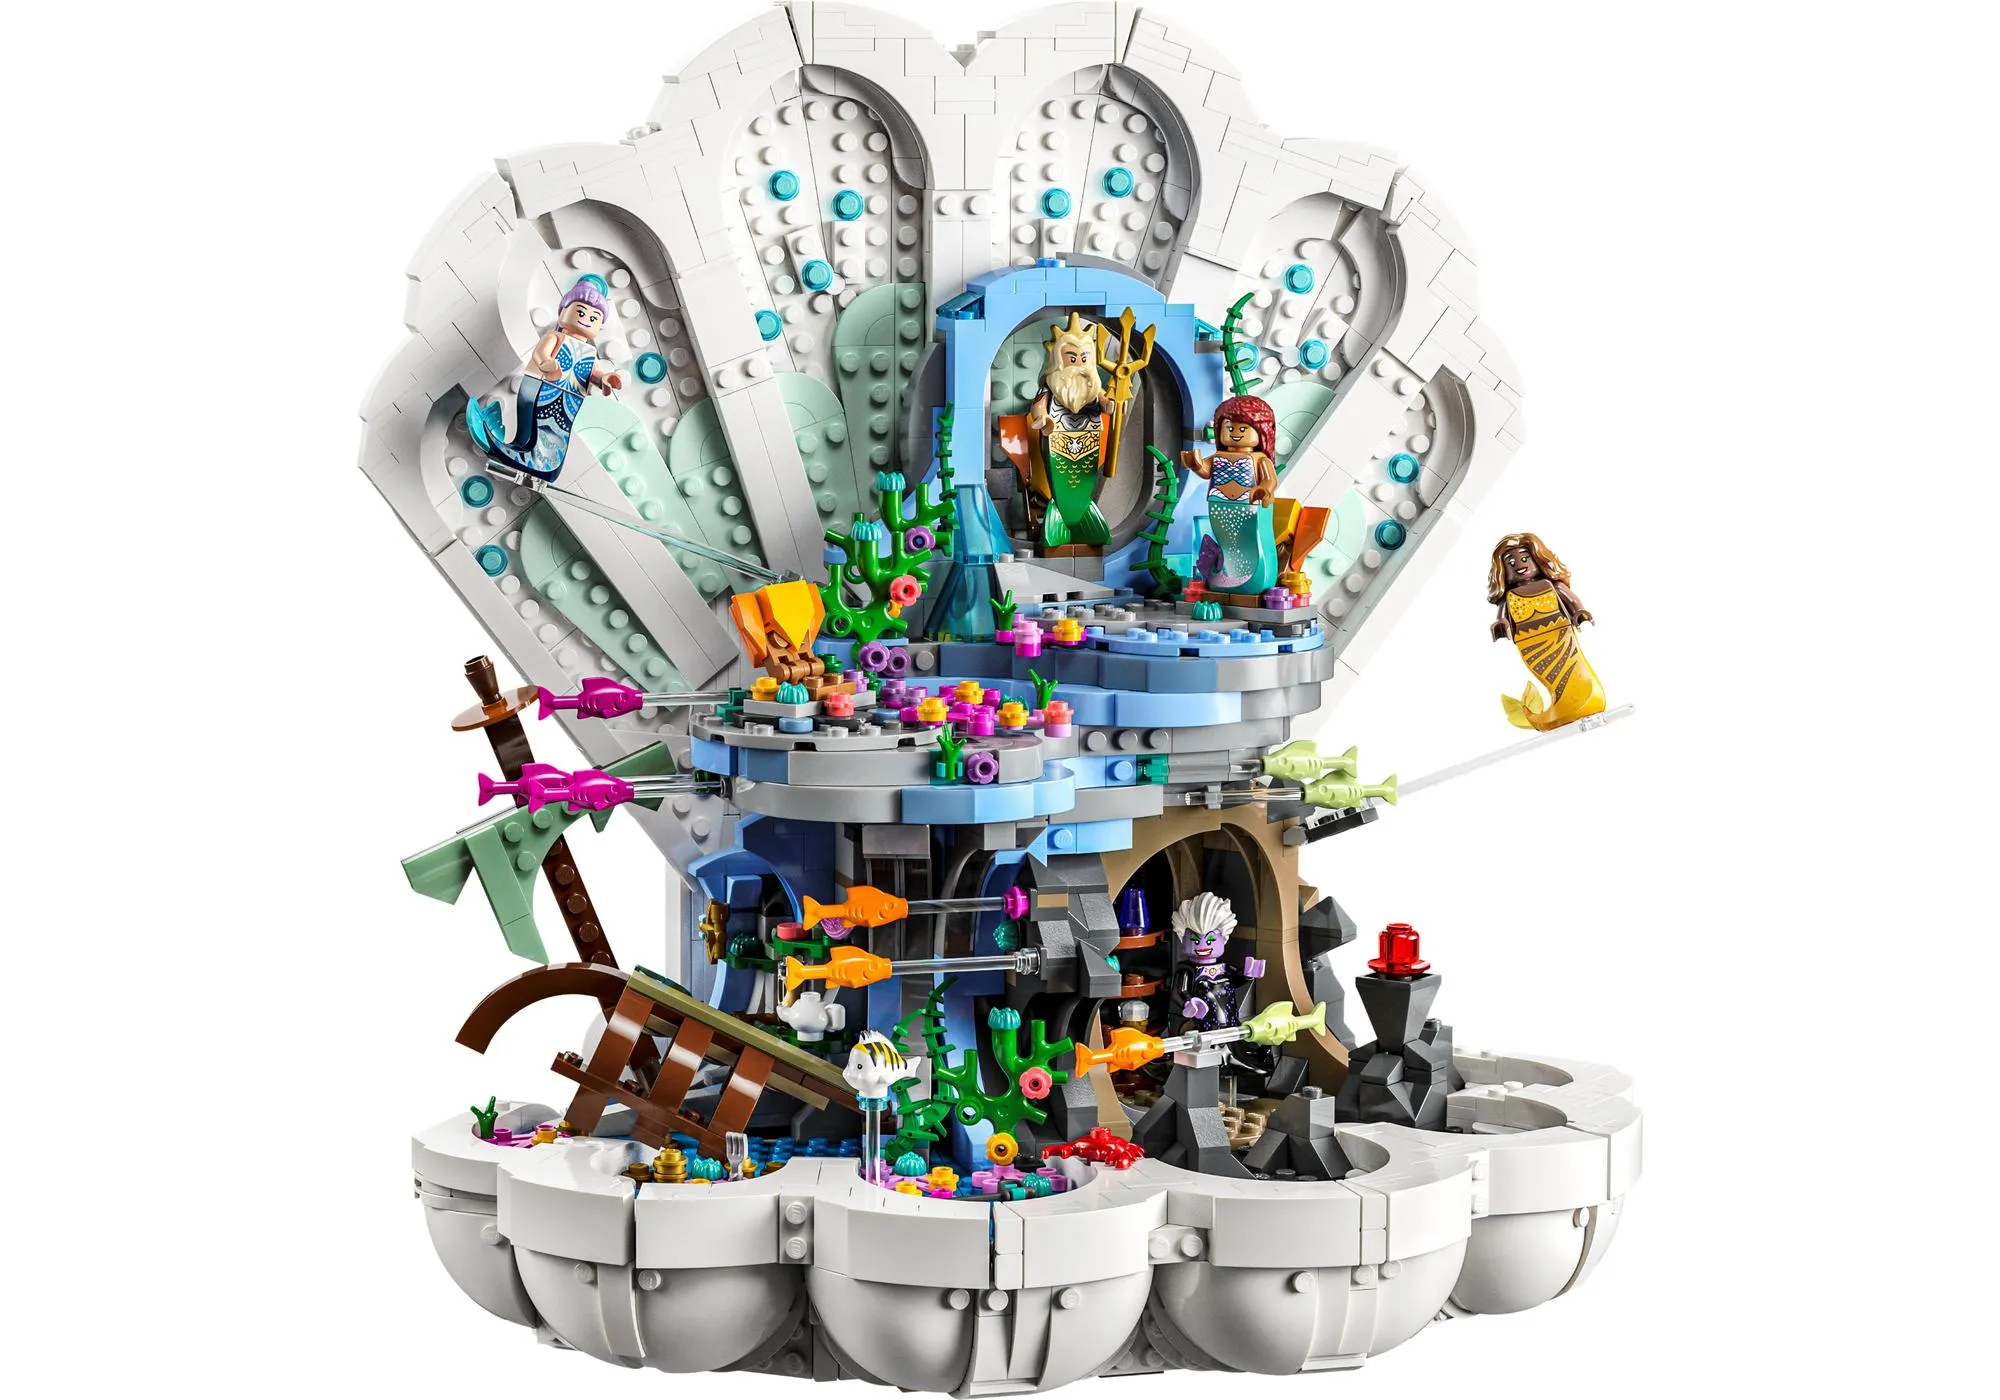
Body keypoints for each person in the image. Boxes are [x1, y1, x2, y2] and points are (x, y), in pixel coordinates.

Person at [467, 273, 624, 480]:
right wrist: (546, 363)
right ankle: (519, 453)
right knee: (530, 427)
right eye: (580, 312)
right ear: (564, 311)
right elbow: (541, 354)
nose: (586, 320)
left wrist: (605, 379)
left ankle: (541, 465)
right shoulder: (555, 337)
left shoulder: (590, 352)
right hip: (540, 388)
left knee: (553, 434)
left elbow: (595, 373)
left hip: (569, 399)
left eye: (594, 318)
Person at [1488, 532, 1607, 730]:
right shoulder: (1508, 598)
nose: (1519, 565)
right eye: (1511, 563)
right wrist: (1501, 625)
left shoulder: (1552, 585)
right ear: (1502, 571)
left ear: (1538, 559)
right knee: (1552, 678)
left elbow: (1571, 600)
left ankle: (1580, 702)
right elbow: (1502, 618)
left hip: (1561, 636)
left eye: (1524, 559)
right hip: (1530, 644)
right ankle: (1562, 707)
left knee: (1572, 669)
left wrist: (1579, 612)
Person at [1181, 395, 1280, 592]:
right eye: (1229, 428)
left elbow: (1270, 480)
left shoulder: (1259, 459)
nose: (1235, 433)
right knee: (1227, 543)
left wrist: (1264, 489)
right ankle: (1227, 576)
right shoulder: (1219, 456)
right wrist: (1196, 465)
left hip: (1249, 508)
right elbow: (1206, 471)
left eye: (1243, 429)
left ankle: (1252, 578)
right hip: (1219, 504)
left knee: (1250, 542)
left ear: (1261, 431)